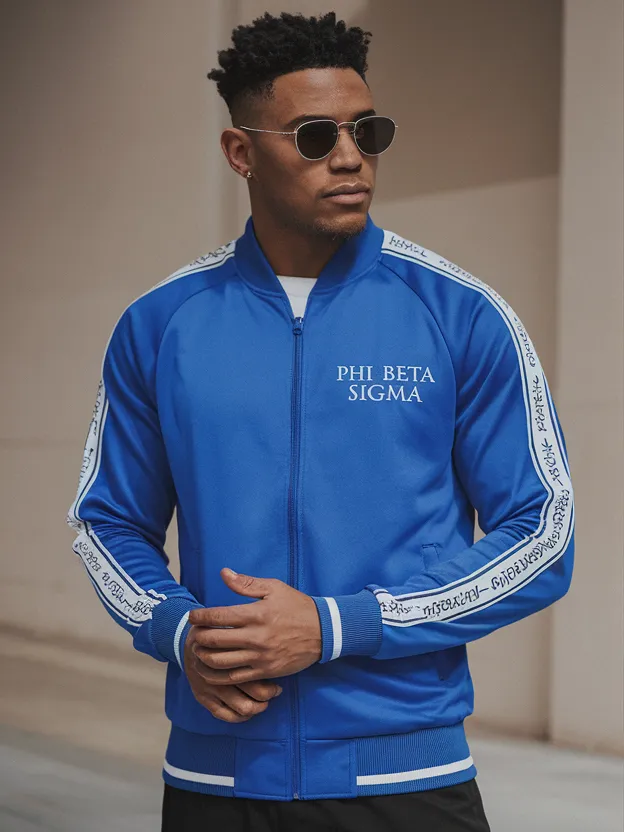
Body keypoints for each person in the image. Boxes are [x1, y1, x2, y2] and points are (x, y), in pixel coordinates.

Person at [66, 10, 575, 832]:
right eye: (313, 136)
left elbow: (543, 532)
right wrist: (177, 629)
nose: (349, 157)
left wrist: (340, 625)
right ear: (240, 152)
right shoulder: (162, 325)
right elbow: (107, 521)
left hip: (408, 779)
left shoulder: (459, 314)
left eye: (366, 132)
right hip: (217, 779)